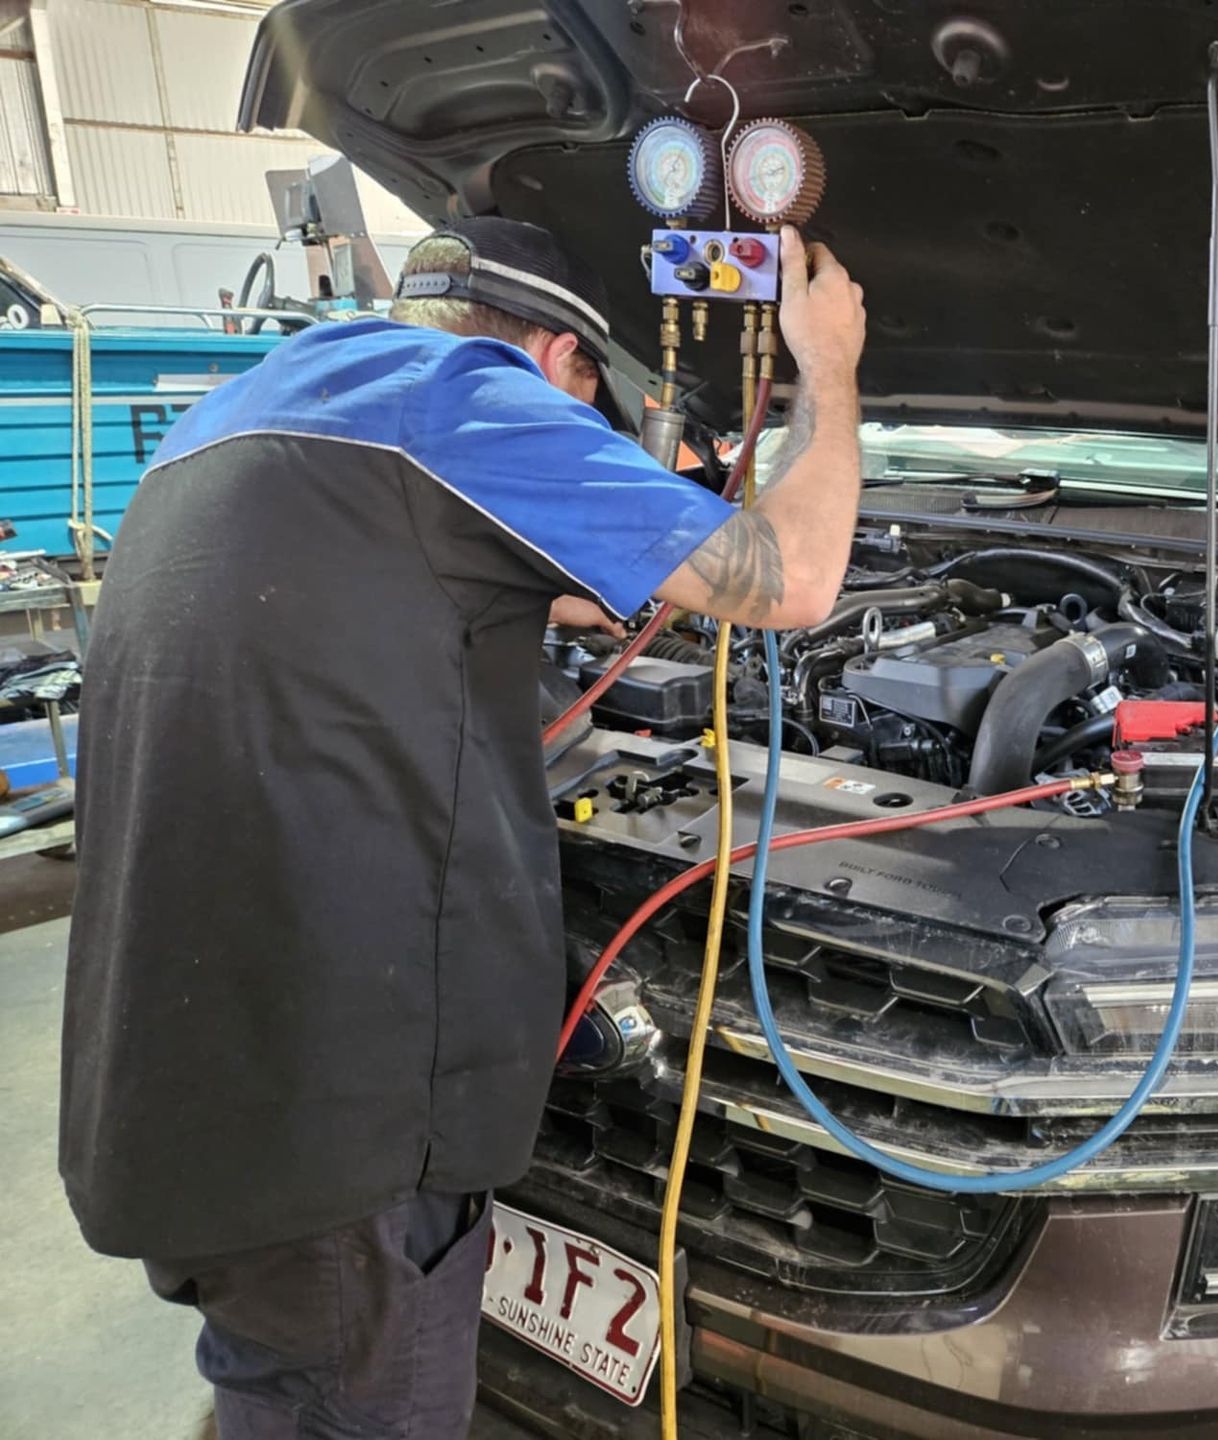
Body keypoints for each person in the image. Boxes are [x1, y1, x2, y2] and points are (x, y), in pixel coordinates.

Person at [59, 216, 866, 1438]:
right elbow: (796, 578)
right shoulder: (469, 399)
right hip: (338, 1138)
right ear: (560, 362)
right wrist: (831, 367)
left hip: (193, 1087)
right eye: (593, 415)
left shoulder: (257, 407)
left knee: (274, 1389)